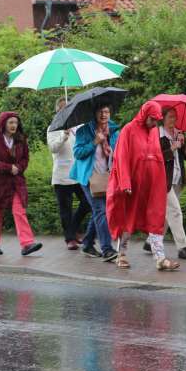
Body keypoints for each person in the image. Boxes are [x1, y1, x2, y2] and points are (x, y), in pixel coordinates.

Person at [106, 101, 179, 271]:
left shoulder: (153, 131)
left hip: (150, 185)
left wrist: (161, 183)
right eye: (152, 119)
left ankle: (160, 258)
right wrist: (125, 182)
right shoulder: (128, 130)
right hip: (132, 186)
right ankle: (121, 254)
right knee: (127, 219)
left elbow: (157, 156)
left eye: (156, 120)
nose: (154, 123)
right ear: (144, 114)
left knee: (155, 219)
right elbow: (121, 157)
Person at [0, 112, 42, 256]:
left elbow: (25, 159)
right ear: (3, 124)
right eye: (10, 122)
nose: (13, 125)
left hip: (16, 182)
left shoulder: (21, 140)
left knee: (19, 210)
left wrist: (19, 168)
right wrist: (9, 168)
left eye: (15, 122)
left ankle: (27, 244)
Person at [144, 107, 186, 260]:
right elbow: (153, 156)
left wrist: (182, 143)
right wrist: (171, 148)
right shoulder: (157, 135)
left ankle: (150, 242)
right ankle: (183, 248)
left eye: (175, 117)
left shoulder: (178, 133)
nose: (174, 120)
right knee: (175, 211)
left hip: (177, 180)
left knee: (167, 215)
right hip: (162, 181)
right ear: (163, 118)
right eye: (171, 117)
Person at [70, 104, 119, 262]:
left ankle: (87, 243)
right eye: (100, 111)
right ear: (94, 113)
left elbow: (119, 150)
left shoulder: (113, 130)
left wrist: (113, 151)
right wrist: (94, 142)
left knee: (99, 211)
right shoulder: (84, 131)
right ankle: (107, 249)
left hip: (107, 176)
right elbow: (77, 152)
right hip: (89, 177)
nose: (104, 114)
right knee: (100, 210)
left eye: (107, 111)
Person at [47, 97, 91, 251]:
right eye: (62, 108)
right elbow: (53, 148)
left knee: (87, 202)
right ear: (57, 111)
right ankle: (70, 239)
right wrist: (63, 136)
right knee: (65, 208)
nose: (65, 111)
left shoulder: (79, 126)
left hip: (78, 172)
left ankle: (73, 230)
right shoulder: (53, 128)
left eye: (68, 107)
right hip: (62, 175)